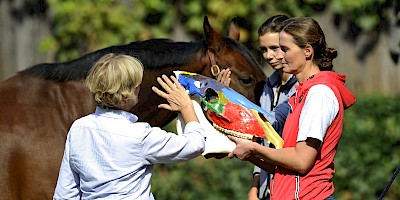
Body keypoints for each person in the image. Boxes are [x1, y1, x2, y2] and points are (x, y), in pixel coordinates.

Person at [227, 17, 356, 200]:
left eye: (284, 49)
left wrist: (255, 149)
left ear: (307, 51)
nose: (278, 56)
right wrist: (249, 154)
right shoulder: (301, 93)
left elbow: (301, 161)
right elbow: (283, 168)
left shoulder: (319, 94)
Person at [53, 53, 206, 199]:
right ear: (130, 91)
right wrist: (186, 106)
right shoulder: (139, 136)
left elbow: (65, 194)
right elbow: (195, 144)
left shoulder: (78, 129)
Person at [217, 14, 298, 200]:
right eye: (263, 49)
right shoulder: (267, 88)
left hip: (291, 188)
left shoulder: (301, 89)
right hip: (265, 191)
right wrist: (255, 188)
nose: (268, 56)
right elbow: (260, 141)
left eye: (275, 48)